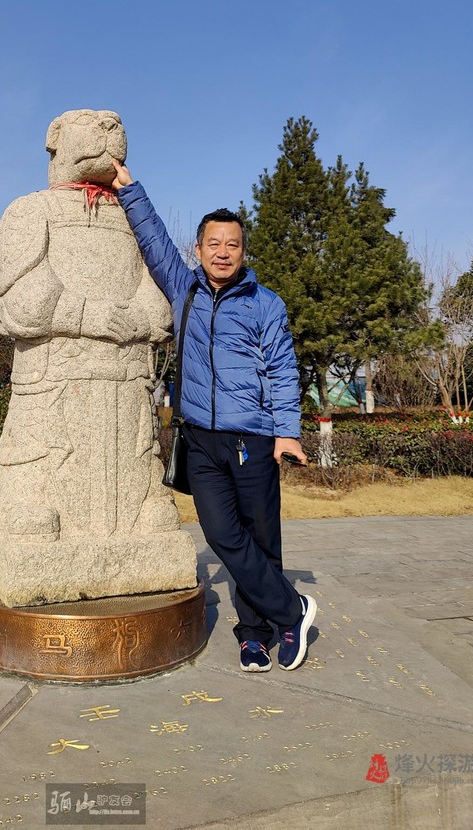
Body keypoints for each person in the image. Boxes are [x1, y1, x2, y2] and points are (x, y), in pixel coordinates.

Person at [112, 160, 317, 673]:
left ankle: (256, 634)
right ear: (199, 249)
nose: (223, 252)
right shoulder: (184, 290)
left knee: (261, 538)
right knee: (224, 535)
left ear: (243, 252)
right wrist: (130, 190)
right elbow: (155, 242)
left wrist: (287, 432)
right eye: (214, 244)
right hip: (199, 439)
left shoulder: (266, 304)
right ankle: (293, 611)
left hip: (253, 438)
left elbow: (282, 369)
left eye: (233, 245)